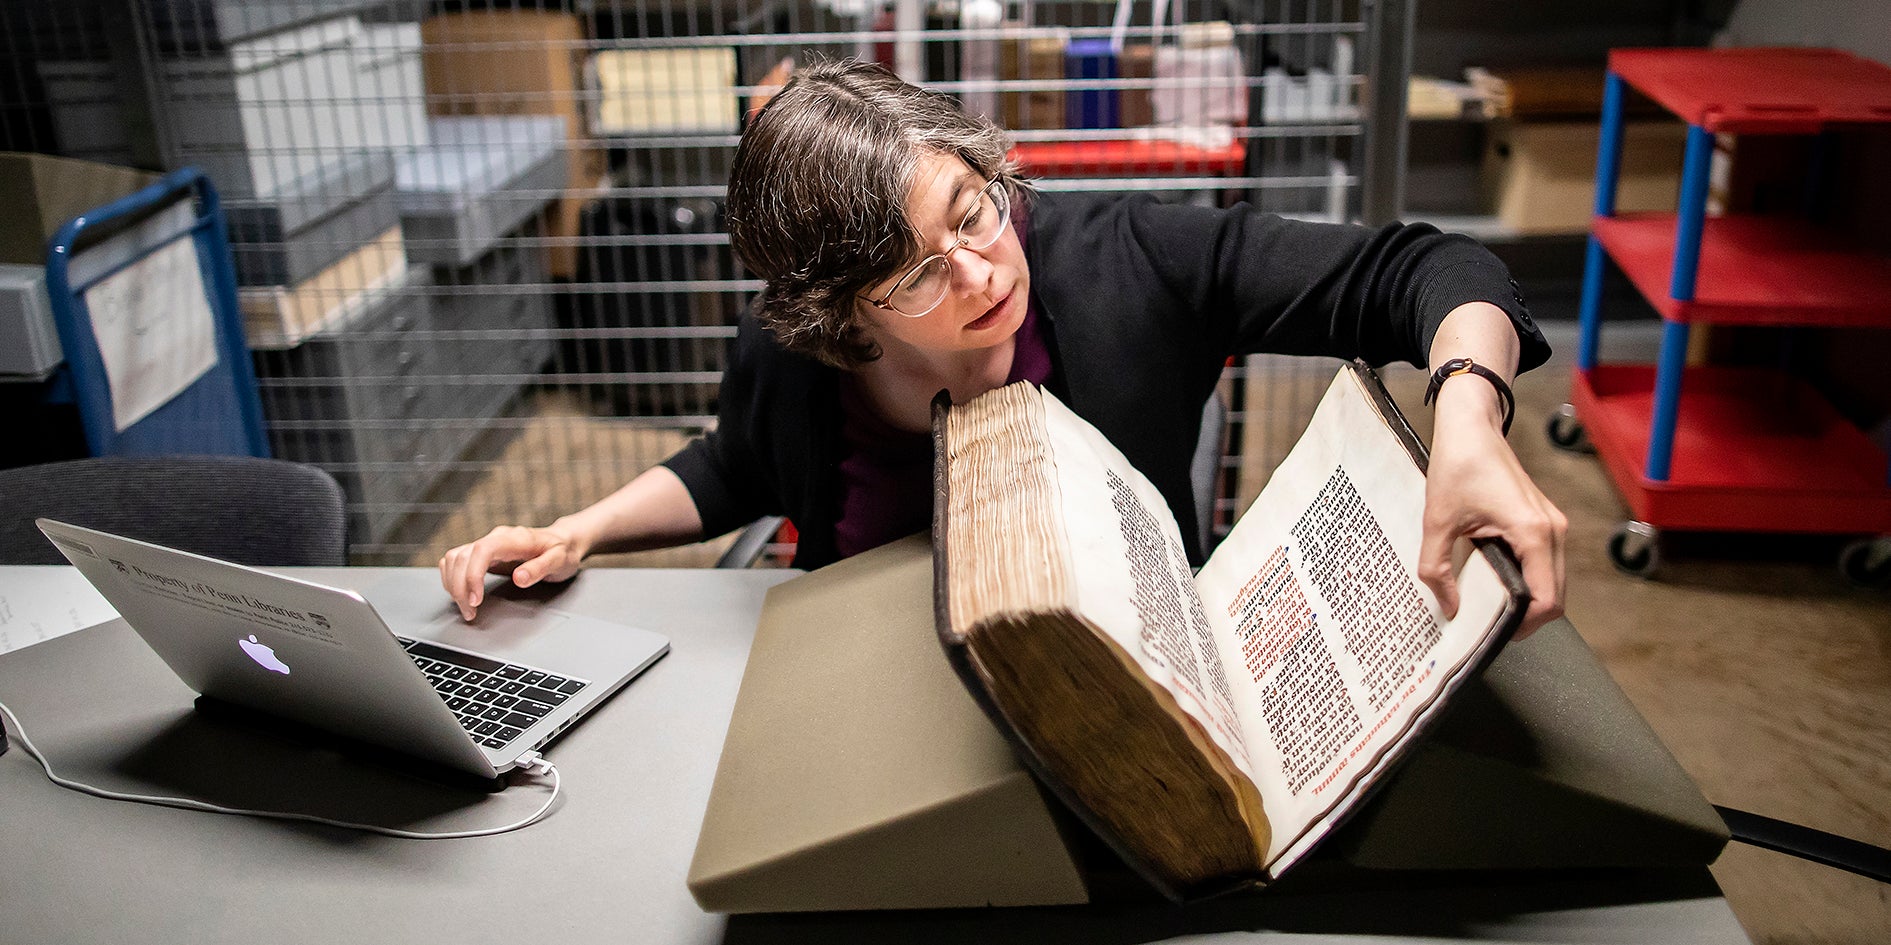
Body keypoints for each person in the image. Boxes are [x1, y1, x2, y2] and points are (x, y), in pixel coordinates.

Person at [441, 58, 1567, 636]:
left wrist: (1466, 408)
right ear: (845, 313)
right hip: (866, 679)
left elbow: (1432, 273)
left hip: (1114, 669)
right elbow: (734, 466)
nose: (983, 273)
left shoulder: (1127, 256)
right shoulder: (794, 355)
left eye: (972, 213)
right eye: (920, 272)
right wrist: (581, 527)